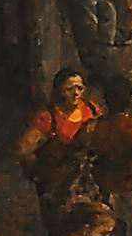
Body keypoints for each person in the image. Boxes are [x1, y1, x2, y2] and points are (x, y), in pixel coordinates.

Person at [14, 67, 97, 217]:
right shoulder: (47, 118)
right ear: (59, 90)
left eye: (79, 88)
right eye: (70, 89)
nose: (76, 93)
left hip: (89, 183)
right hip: (60, 185)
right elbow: (23, 150)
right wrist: (40, 174)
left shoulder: (92, 110)